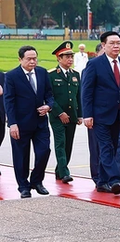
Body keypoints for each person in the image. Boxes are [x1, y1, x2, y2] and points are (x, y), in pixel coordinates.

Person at [81, 31, 120, 194]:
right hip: (99, 115)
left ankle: (102, 182)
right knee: (105, 147)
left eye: (118, 43)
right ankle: (114, 179)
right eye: (112, 43)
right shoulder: (95, 64)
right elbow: (87, 91)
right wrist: (87, 114)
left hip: (118, 115)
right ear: (103, 45)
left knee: (112, 147)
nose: (116, 46)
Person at [4, 45, 54, 198]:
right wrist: (12, 123)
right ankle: (23, 186)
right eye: (29, 59)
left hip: (40, 123)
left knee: (44, 151)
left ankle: (37, 181)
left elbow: (50, 95)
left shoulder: (42, 72)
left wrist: (48, 106)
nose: (33, 62)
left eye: (35, 58)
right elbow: (9, 101)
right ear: (20, 59)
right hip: (20, 123)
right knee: (21, 156)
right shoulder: (12, 76)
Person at [49, 41, 82, 184]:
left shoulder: (75, 74)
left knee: (68, 144)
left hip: (72, 116)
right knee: (60, 143)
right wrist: (59, 113)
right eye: (66, 57)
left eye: (71, 57)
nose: (70, 60)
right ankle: (64, 172)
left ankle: (59, 170)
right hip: (57, 116)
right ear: (59, 58)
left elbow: (78, 96)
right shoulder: (50, 75)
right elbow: (49, 98)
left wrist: (80, 114)